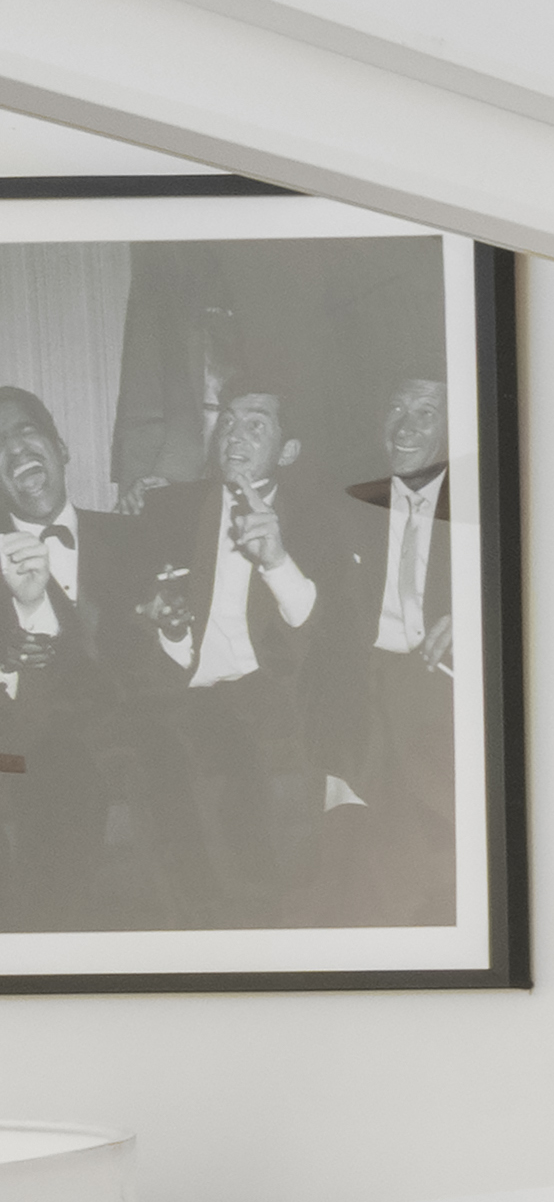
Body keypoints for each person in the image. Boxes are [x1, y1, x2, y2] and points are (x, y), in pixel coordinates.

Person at [91, 378, 328, 925]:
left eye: (255, 424)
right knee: (157, 752)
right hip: (176, 686)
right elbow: (124, 610)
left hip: (265, 686)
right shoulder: (167, 507)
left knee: (233, 755)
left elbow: (319, 629)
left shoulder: (317, 520)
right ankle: (199, 921)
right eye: (226, 421)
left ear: (288, 451)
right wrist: (163, 624)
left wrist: (276, 561)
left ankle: (255, 915)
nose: (233, 435)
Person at [311, 369, 466, 925]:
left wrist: (478, 613)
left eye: (426, 413)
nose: (405, 427)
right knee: (346, 846)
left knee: (424, 835)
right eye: (397, 410)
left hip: (440, 687)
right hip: (361, 683)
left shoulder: (487, 506)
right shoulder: (345, 504)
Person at [0, 382, 137, 932]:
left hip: (135, 733)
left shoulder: (134, 535)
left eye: (26, 432)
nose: (14, 449)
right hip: (28, 752)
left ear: (61, 448)